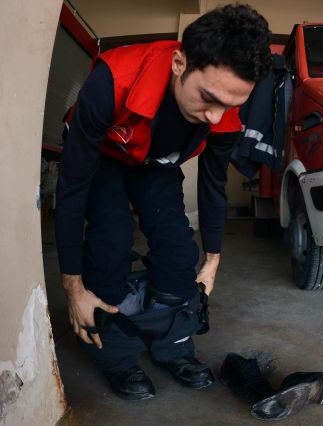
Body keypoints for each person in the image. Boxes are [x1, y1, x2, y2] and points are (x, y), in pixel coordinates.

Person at [55, 4, 271, 400]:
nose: (215, 116)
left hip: (152, 162)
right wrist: (72, 285)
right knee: (111, 240)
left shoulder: (223, 115)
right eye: (208, 98)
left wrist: (213, 261)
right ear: (178, 62)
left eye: (231, 104)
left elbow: (212, 185)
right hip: (101, 155)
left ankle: (173, 346)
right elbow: (72, 188)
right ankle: (118, 358)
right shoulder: (111, 82)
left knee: (176, 247)